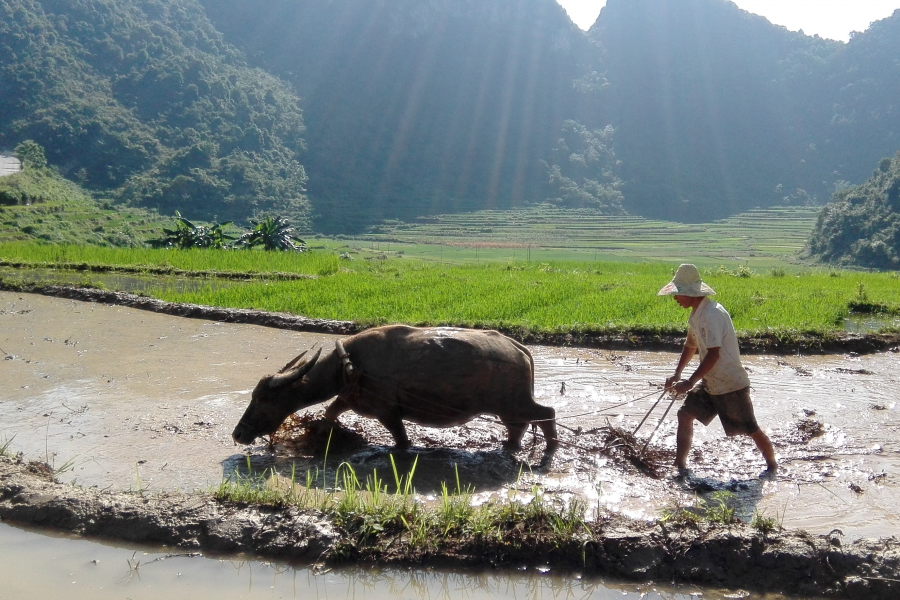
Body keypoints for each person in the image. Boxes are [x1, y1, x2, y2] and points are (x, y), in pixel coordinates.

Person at [658, 264, 777, 477]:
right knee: (684, 414)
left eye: (677, 294)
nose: (675, 299)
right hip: (711, 381)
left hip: (730, 384)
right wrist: (677, 374)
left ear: (689, 293)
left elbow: (714, 354)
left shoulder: (711, 315)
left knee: (750, 429)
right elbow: (691, 345)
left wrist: (690, 382)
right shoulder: (697, 314)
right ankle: (680, 465)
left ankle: (773, 466)